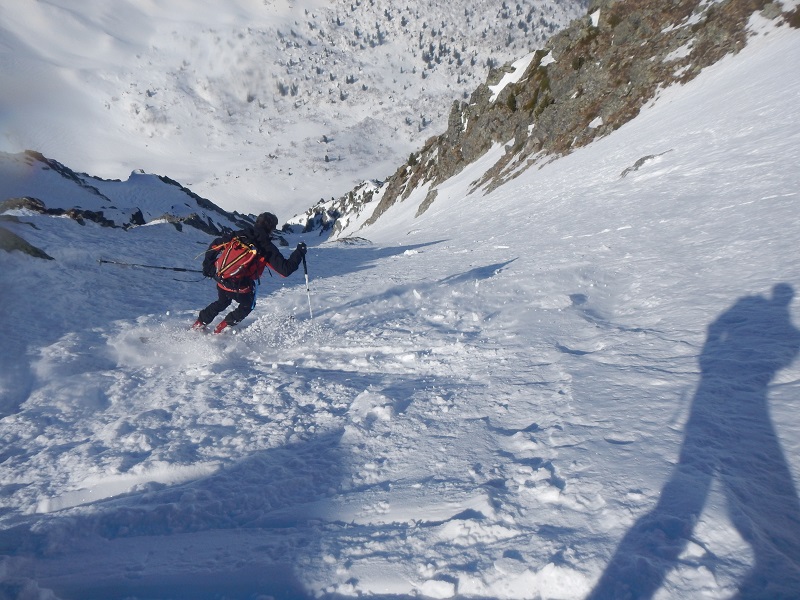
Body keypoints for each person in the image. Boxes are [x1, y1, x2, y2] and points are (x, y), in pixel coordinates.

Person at [193, 212, 306, 333]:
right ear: (271, 228)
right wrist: (299, 252)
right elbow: (285, 270)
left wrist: (208, 266)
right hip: (240, 286)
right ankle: (221, 329)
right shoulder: (266, 247)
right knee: (248, 305)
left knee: (222, 302)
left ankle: (199, 323)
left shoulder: (239, 235)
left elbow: (215, 244)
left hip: (221, 278)